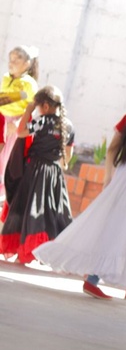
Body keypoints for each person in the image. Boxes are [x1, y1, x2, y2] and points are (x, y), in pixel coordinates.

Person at [34, 77, 126, 299]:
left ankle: (94, 278)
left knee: (114, 225)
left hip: (124, 173)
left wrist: (108, 179)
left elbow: (112, 150)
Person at [0, 86, 73, 263]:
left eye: (38, 106)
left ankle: (24, 249)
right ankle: (45, 252)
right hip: (54, 174)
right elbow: (67, 158)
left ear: (45, 106)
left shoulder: (43, 121)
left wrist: (28, 111)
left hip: (35, 172)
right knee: (50, 213)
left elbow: (21, 132)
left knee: (29, 210)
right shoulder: (69, 127)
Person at [0, 46, 39, 199]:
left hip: (13, 124)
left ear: (27, 64)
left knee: (7, 158)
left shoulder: (29, 84)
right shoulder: (5, 78)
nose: (12, 63)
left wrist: (17, 124)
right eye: (11, 59)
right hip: (2, 120)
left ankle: (3, 194)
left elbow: (32, 108)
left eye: (17, 59)